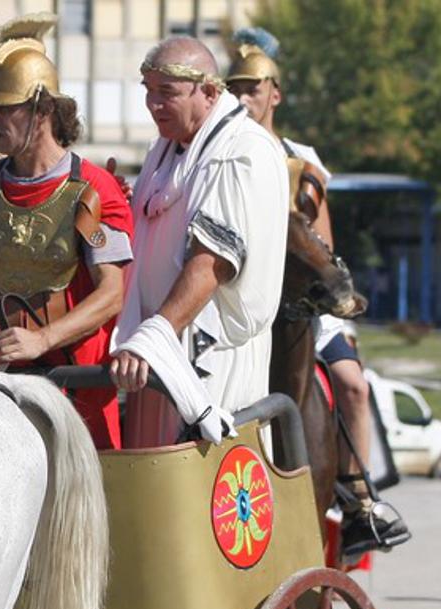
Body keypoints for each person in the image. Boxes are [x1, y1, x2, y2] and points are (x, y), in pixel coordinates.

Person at [225, 28, 409, 555]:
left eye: (253, 88)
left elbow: (321, 243)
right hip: (241, 301)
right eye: (235, 89)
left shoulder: (301, 161)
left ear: (274, 94)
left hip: (303, 303)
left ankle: (359, 501)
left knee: (352, 384)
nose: (244, 98)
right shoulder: (223, 153)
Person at [0, 14, 134, 449]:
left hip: (73, 387)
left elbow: (112, 294)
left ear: (43, 110)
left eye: (6, 108)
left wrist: (42, 339)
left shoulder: (94, 189)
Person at [107, 36, 288, 450]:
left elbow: (212, 264)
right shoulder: (163, 151)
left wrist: (154, 337)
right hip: (155, 356)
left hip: (212, 364)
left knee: (207, 485)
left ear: (207, 92)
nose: (153, 104)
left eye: (167, 92)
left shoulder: (243, 150)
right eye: (149, 91)